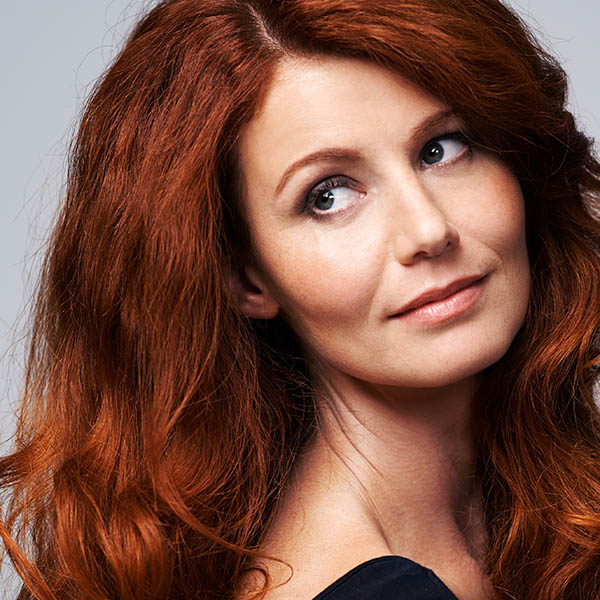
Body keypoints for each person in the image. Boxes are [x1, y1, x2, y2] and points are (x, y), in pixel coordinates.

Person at [1, 0, 599, 599]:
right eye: (329, 195)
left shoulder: (536, 514)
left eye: (442, 148)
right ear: (247, 280)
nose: (428, 230)